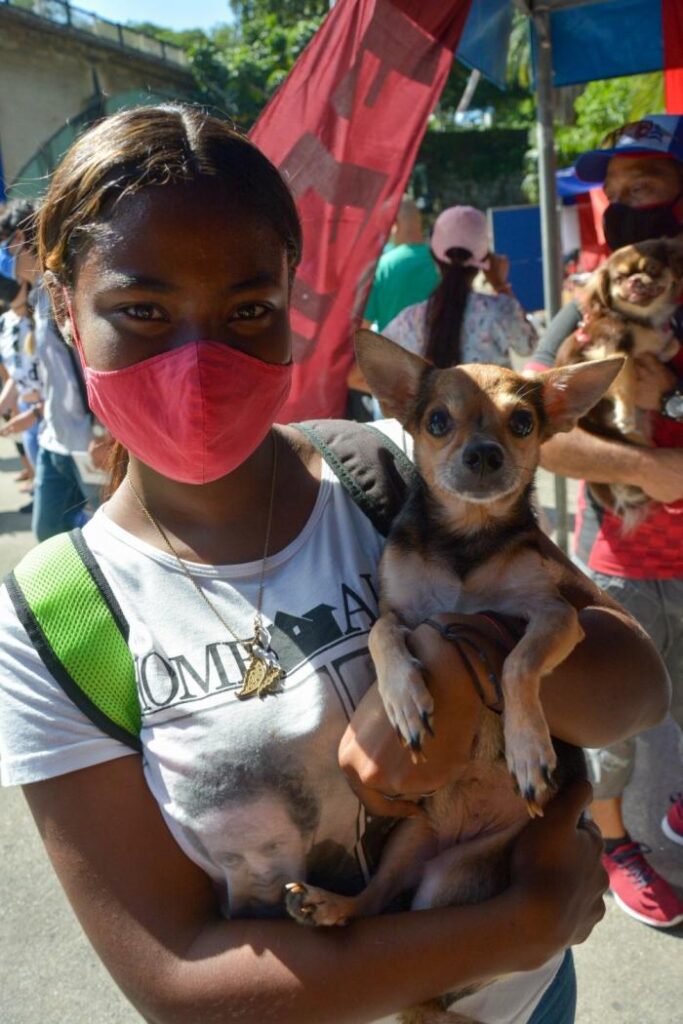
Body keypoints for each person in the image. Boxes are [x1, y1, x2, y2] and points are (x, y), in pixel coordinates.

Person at [0, 104, 668, 1024]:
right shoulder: (56, 617)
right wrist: (518, 925)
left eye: (248, 310)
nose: (199, 356)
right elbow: (180, 984)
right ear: (68, 317)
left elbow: (635, 686)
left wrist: (475, 668)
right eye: (141, 310)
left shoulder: (391, 466)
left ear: (291, 309)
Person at [527, 114, 683, 929]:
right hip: (620, 557)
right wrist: (645, 465)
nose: (625, 200)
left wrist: (670, 401)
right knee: (614, 722)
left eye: (645, 184)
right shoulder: (584, 296)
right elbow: (535, 432)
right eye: (615, 188)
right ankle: (616, 844)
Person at [0, 199, 105, 540]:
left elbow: (94, 367)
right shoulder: (35, 301)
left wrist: (105, 431)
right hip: (52, 441)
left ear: (18, 239)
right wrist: (32, 412)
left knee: (108, 532)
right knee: (48, 532)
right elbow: (52, 378)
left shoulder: (66, 294)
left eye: (3, 244)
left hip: (87, 442)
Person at [382, 205, 536, 369]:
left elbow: (375, 361)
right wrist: (500, 285)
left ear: (434, 257)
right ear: (485, 260)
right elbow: (529, 346)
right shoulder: (500, 310)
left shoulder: (409, 321)